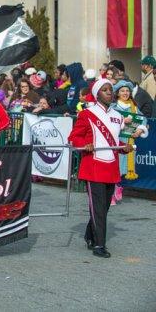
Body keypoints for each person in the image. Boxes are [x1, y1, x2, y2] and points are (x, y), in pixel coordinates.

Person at [68, 78, 140, 258]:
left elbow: (114, 142)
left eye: (110, 89)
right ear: (97, 94)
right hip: (93, 167)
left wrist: (124, 147)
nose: (109, 92)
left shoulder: (117, 116)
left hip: (111, 168)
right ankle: (99, 244)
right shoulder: (87, 114)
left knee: (104, 207)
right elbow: (73, 137)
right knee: (99, 208)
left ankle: (89, 234)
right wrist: (86, 144)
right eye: (105, 89)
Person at [110, 80, 149, 203]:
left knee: (123, 168)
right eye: (122, 91)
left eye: (127, 91)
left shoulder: (134, 107)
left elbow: (143, 120)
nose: (125, 93)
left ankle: (117, 187)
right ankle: (112, 191)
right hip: (116, 140)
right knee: (114, 166)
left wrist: (140, 130)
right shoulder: (113, 107)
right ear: (117, 93)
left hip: (129, 141)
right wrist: (122, 121)